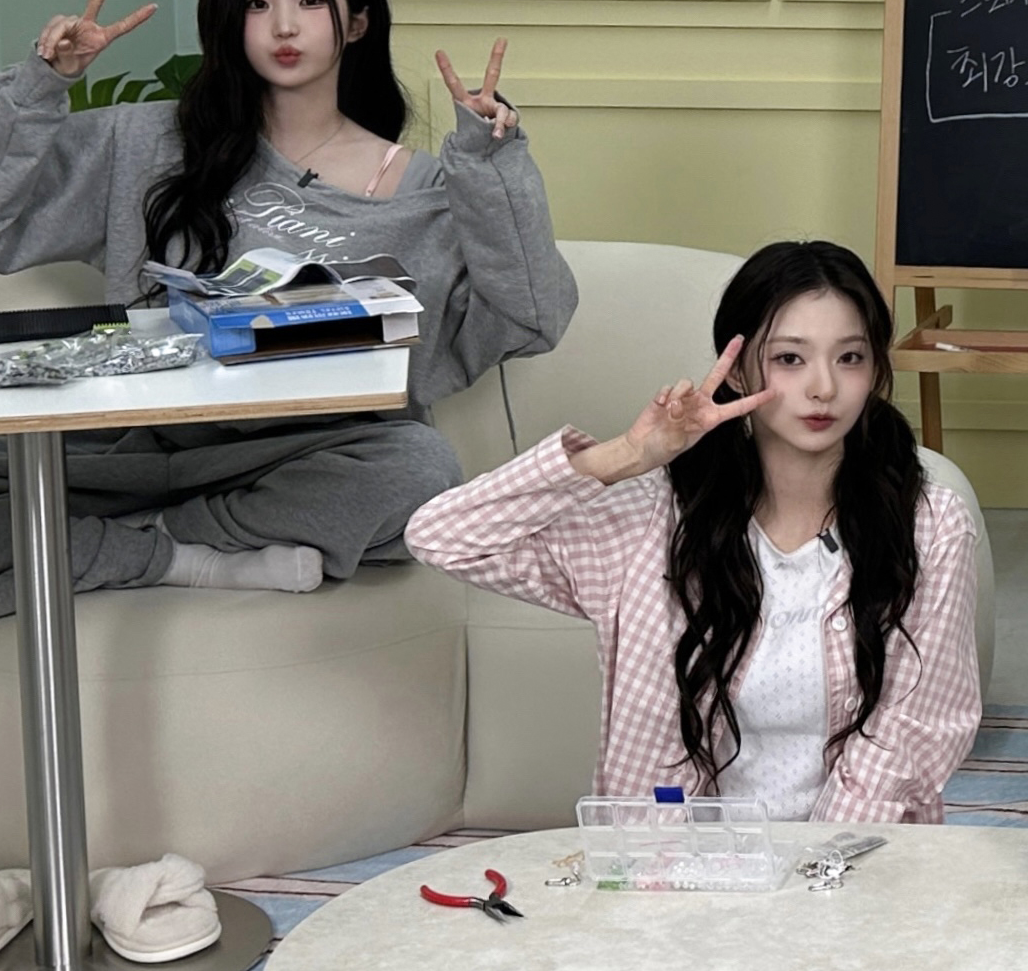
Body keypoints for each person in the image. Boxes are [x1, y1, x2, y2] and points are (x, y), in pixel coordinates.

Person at [0, 0, 574, 617]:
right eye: (258, 3)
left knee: (417, 469)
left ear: (356, 22)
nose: (284, 26)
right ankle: (176, 555)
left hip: (303, 458)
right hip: (126, 455)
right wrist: (39, 88)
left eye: (311, 1)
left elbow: (531, 318)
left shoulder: (421, 189)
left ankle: (115, 545)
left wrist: (488, 162)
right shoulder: (148, 142)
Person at [406, 239, 982, 822]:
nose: (824, 388)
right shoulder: (652, 524)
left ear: (876, 370)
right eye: (790, 359)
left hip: (857, 857)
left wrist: (814, 868)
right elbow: (442, 535)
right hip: (673, 861)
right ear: (737, 372)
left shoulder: (930, 526)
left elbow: (912, 731)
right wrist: (626, 455)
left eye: (850, 358)